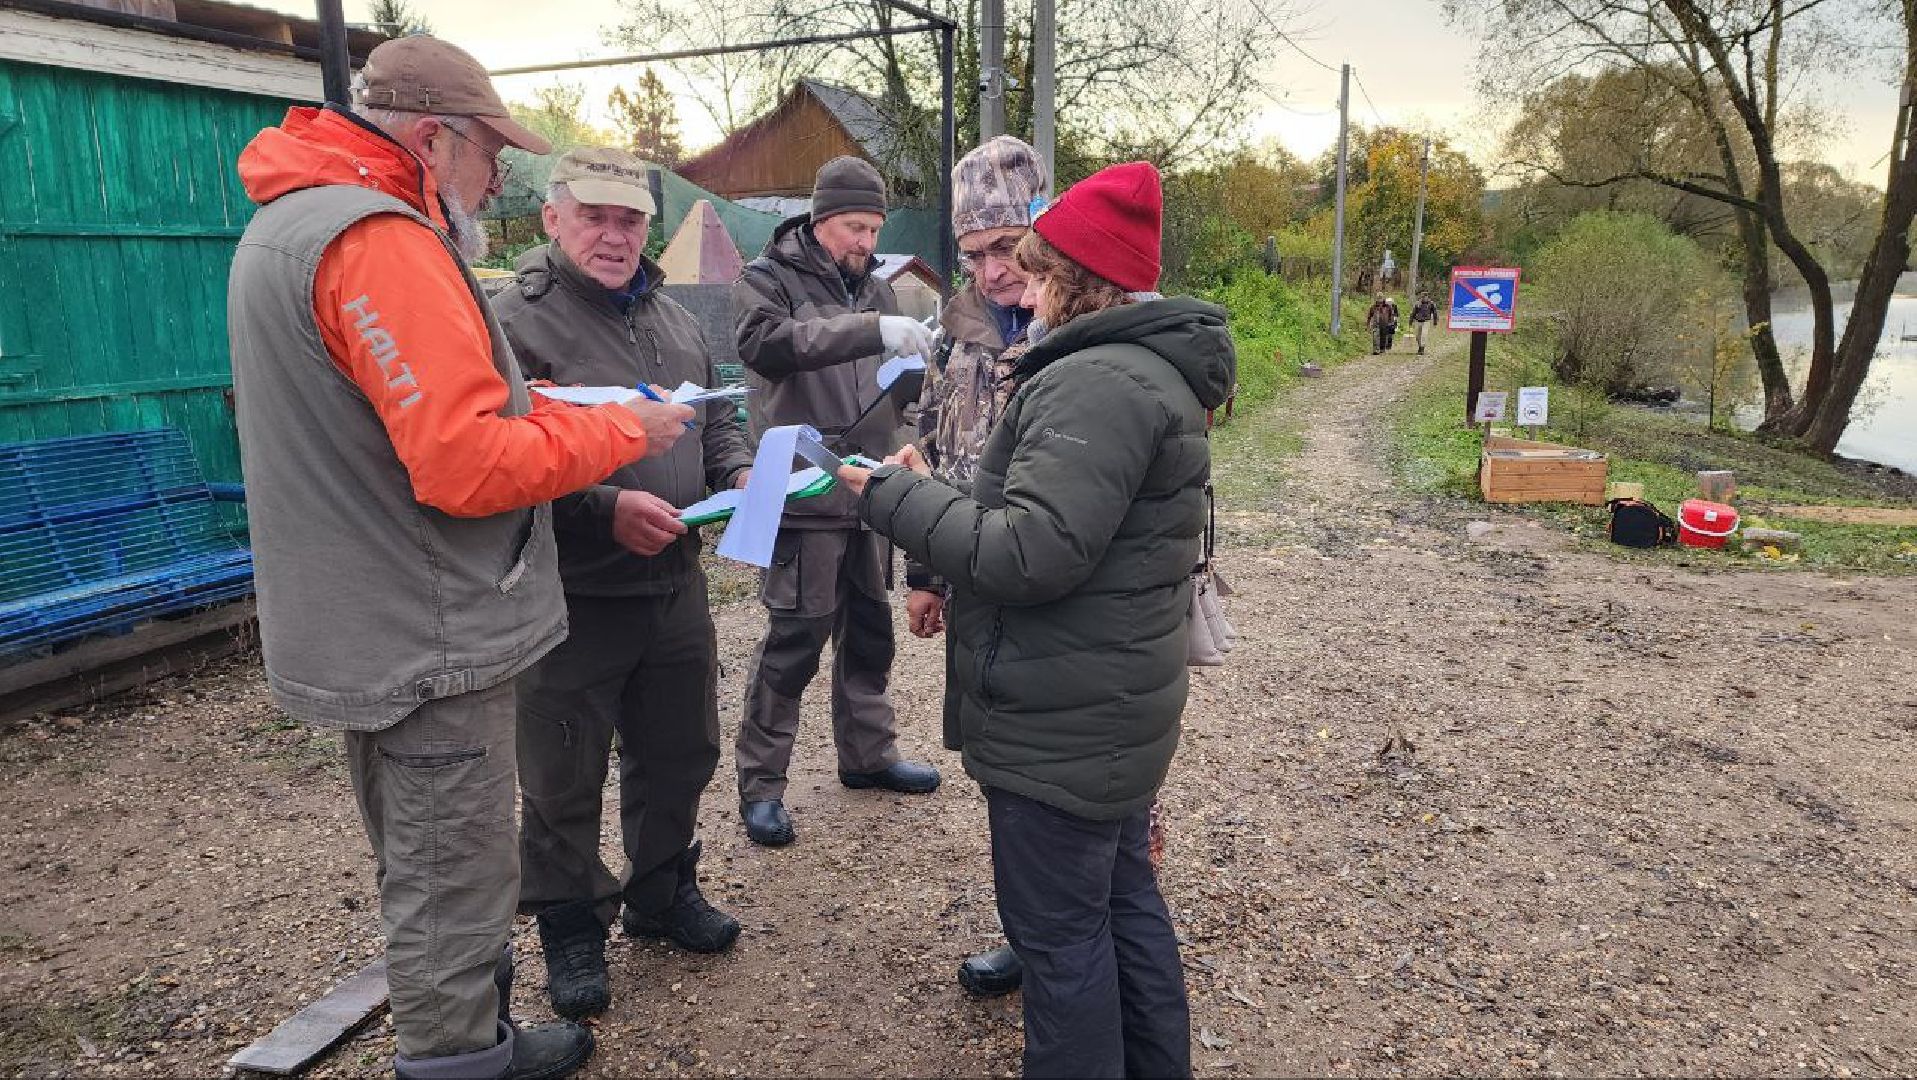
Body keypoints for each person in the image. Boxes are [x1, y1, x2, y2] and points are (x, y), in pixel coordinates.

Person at [227, 35, 694, 1080]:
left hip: (363, 611)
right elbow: (465, 461)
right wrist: (622, 433)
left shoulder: (289, 224)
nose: (497, 175)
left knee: (428, 858)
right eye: (489, 153)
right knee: (452, 874)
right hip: (424, 627)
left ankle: (474, 1037)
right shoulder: (379, 244)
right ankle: (455, 1061)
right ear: (435, 140)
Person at [837, 161, 1234, 1078]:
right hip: (1103, 710)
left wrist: (893, 498)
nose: (1015, 281)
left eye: (1032, 265)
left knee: (1060, 946)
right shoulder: (1138, 371)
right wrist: (933, 490)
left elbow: (1029, 553)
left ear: (1072, 278)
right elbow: (1045, 519)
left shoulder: (1091, 382)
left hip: (1062, 722)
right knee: (1123, 904)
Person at [491, 148, 755, 1022]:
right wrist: (602, 508)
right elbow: (497, 457)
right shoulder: (512, 323)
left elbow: (715, 423)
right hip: (569, 597)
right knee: (562, 771)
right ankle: (571, 924)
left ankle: (658, 892)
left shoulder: (675, 319)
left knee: (680, 750)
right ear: (553, 220)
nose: (614, 235)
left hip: (674, 582)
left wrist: (742, 473)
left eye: (630, 219)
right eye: (595, 216)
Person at [731, 156, 942, 848]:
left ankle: (868, 754)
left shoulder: (875, 287)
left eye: (873, 227)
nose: (865, 241)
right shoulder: (767, 279)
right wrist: (870, 332)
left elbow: (893, 384)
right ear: (821, 222)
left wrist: (920, 371)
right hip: (797, 490)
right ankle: (761, 785)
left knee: (868, 629)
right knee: (795, 639)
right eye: (855, 226)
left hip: (866, 492)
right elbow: (767, 347)